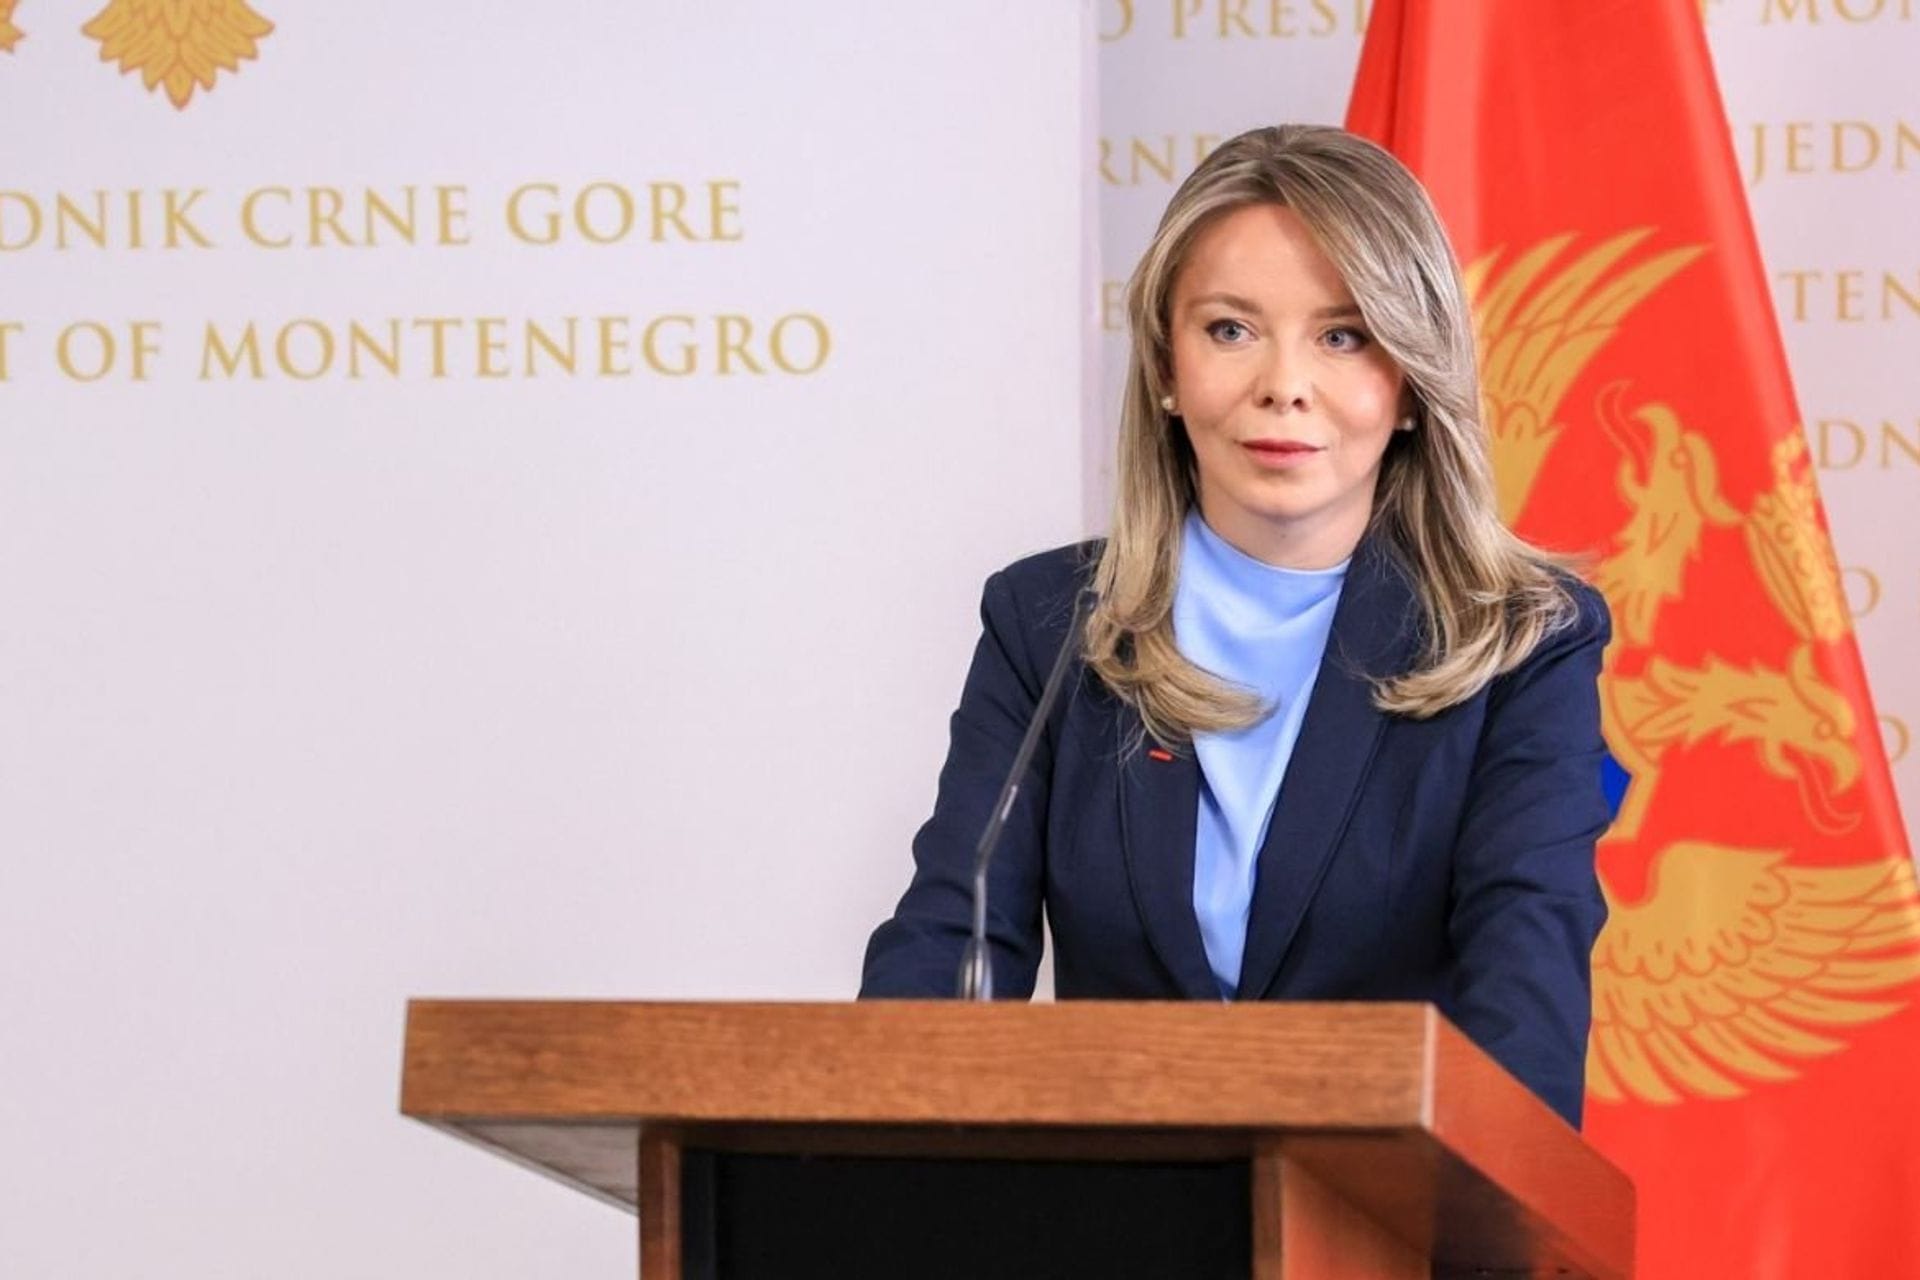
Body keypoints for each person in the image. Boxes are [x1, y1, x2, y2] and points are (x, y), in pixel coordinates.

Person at [859, 124, 1611, 1130]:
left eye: (1343, 336)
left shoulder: (1522, 643)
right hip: (1107, 1194)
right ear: (1166, 367)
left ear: (1409, 383)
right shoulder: (1048, 625)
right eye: (1229, 329)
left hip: (1387, 1206)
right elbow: (954, 939)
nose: (1283, 384)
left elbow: (1524, 991)